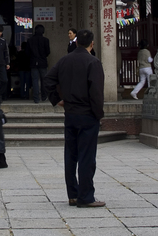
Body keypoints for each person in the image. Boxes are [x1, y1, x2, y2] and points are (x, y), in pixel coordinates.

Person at [44, 29, 105, 208]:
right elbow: (96, 92)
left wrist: (57, 100)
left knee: (71, 155)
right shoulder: (93, 62)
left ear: (76, 42)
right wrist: (98, 114)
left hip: (70, 113)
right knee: (87, 157)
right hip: (87, 114)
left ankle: (73, 194)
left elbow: (48, 79)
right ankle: (86, 197)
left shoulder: (64, 60)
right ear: (91, 44)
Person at [27, 24, 51, 104]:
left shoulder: (30, 40)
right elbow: (48, 52)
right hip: (43, 62)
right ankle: (44, 96)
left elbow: (27, 53)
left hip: (33, 62)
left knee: (35, 80)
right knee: (44, 80)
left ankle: (36, 98)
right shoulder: (46, 40)